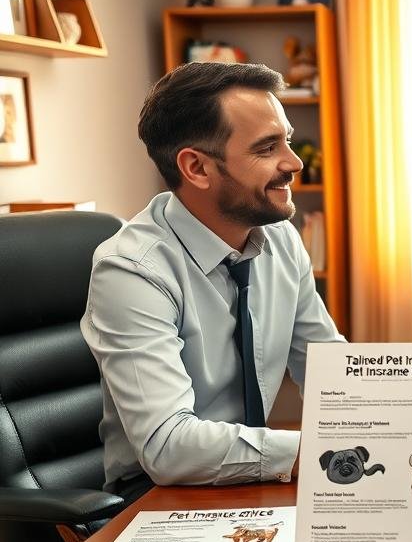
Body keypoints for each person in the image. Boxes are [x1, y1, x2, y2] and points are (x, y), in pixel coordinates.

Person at [82, 61, 344, 506]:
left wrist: (405, 420)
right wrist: (317, 451)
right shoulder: (132, 270)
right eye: (267, 148)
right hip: (158, 498)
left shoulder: (279, 238)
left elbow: (330, 370)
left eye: (288, 141)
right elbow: (168, 447)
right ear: (197, 168)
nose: (294, 162)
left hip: (253, 477)